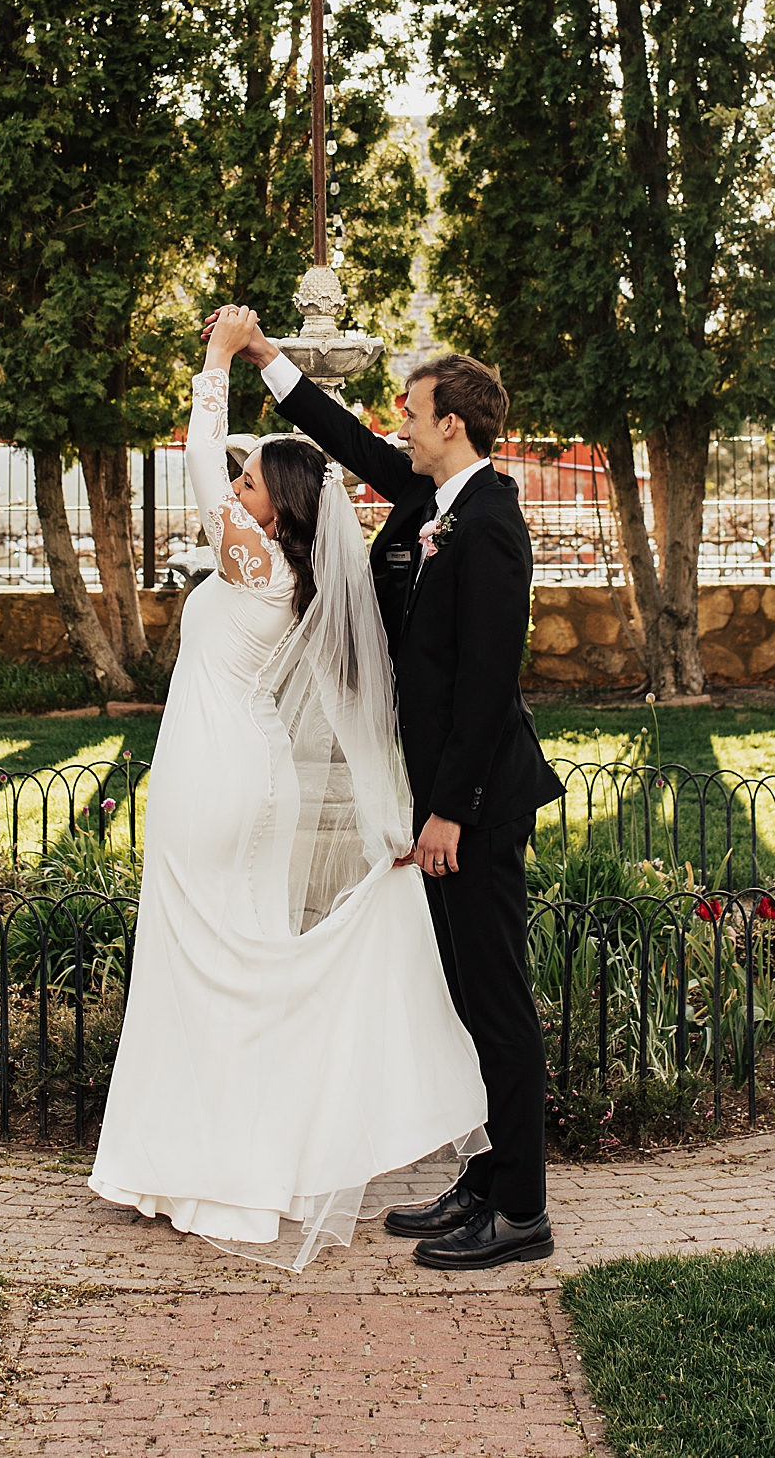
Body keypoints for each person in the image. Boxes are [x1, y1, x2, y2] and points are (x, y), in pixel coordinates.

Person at [88, 306, 488, 1272]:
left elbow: (195, 458)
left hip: (214, 776)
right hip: (259, 775)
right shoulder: (294, 571)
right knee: (248, 962)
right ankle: (241, 1164)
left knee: (197, 963)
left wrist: (218, 359)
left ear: (275, 511)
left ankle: (200, 1168)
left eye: (250, 483)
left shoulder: (253, 561)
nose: (234, 488)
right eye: (239, 481)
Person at [213, 313, 563, 1270]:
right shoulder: (426, 498)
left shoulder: (490, 526)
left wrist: (448, 811)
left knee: (497, 1000)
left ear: (452, 423)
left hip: (477, 804)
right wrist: (264, 360)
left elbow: (487, 686)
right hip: (437, 797)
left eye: (411, 413)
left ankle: (522, 1211)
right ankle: (486, 1179)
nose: (399, 426)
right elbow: (343, 438)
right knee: (463, 995)